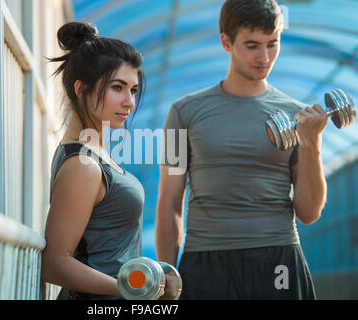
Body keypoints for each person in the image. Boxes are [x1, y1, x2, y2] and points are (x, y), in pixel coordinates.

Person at [156, 0, 327, 299]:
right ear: (226, 41)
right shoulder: (181, 113)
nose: (264, 57)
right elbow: (169, 202)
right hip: (206, 261)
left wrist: (312, 143)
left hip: (279, 261)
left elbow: (310, 213)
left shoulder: (298, 115)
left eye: (272, 44)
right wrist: (166, 274)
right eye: (252, 45)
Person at [41, 21, 146, 300]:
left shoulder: (94, 154)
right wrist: (132, 289)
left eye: (133, 90)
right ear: (81, 89)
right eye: (117, 88)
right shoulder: (82, 166)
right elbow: (54, 263)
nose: (129, 102)